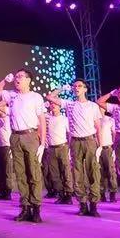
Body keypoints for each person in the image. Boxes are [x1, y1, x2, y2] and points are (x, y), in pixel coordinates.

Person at [0, 69, 47, 223]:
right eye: (16, 76)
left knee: (33, 173)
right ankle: (25, 207)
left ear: (28, 80)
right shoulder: (11, 95)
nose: (17, 79)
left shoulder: (36, 97)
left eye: (20, 76)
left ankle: (36, 208)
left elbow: (42, 120)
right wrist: (5, 80)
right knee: (20, 174)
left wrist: (42, 143)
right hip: (15, 136)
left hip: (30, 135)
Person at [46, 80, 102, 217]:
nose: (76, 88)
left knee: (93, 172)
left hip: (89, 140)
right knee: (77, 174)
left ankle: (93, 205)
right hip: (75, 142)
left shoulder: (93, 106)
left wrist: (100, 145)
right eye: (75, 86)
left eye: (80, 86)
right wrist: (61, 88)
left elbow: (98, 126)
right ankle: (82, 204)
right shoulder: (69, 104)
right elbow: (49, 97)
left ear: (85, 89)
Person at [45, 100, 74, 205]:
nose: (53, 105)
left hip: (62, 147)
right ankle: (61, 194)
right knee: (54, 173)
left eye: (55, 104)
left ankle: (69, 194)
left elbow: (70, 134)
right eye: (51, 104)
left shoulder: (64, 119)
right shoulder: (47, 118)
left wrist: (69, 148)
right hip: (51, 148)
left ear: (60, 106)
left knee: (66, 171)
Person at [97, 107, 118, 203]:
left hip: (107, 148)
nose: (99, 109)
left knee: (110, 171)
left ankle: (112, 193)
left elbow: (114, 134)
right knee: (99, 172)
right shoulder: (94, 119)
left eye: (101, 107)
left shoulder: (110, 120)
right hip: (97, 149)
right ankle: (102, 193)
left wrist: (113, 147)